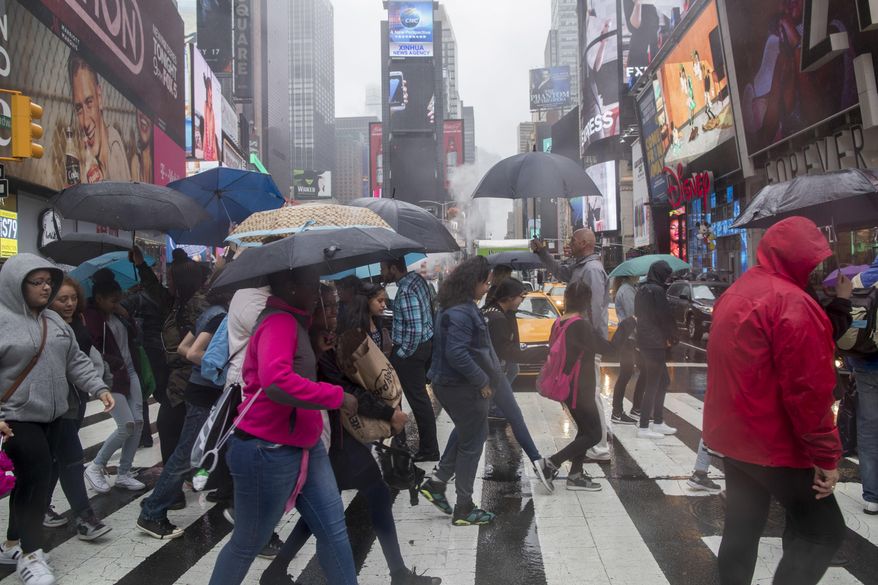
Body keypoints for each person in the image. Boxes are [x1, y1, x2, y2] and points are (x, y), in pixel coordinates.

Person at [704, 217, 847, 585]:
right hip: (774, 443)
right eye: (814, 261)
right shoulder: (793, 303)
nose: (818, 269)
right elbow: (809, 392)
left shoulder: (736, 292)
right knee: (823, 531)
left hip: (734, 438)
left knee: (742, 527)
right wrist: (826, 456)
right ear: (799, 259)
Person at [260, 298, 438, 585]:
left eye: (334, 306)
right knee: (374, 496)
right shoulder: (313, 342)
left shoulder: (323, 340)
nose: (333, 311)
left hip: (333, 439)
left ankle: (275, 571)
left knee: (320, 510)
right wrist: (388, 412)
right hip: (332, 440)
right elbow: (342, 390)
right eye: (326, 306)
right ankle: (398, 575)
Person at [207, 267, 358, 585]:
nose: (318, 293)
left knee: (333, 530)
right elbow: (276, 382)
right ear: (290, 287)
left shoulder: (296, 322)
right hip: (268, 450)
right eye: (312, 285)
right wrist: (336, 397)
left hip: (305, 444)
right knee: (247, 543)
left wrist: (316, 344)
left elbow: (294, 371)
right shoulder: (278, 321)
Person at [0, 254, 114, 585]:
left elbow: (75, 361)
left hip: (54, 415)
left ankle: (10, 544)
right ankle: (32, 554)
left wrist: (98, 387)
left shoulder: (54, 320)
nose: (46, 287)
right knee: (37, 474)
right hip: (15, 417)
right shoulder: (3, 320)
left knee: (29, 480)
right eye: (38, 282)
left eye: (48, 281)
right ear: (16, 285)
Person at [137, 283, 230, 540]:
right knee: (185, 456)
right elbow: (195, 353)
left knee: (190, 453)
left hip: (197, 391)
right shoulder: (221, 316)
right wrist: (222, 368)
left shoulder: (208, 313)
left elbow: (182, 347)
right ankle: (153, 511)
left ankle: (155, 504)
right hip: (204, 394)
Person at [419, 257, 497, 526]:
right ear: (474, 281)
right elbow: (457, 353)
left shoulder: (451, 306)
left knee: (469, 432)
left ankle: (437, 483)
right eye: (486, 282)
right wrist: (481, 381)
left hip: (447, 382)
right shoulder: (462, 311)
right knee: (473, 442)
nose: (487, 288)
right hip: (460, 385)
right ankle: (464, 507)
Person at [44, 276, 113, 540]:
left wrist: (99, 385)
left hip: (77, 398)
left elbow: (83, 358)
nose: (70, 303)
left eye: (73, 298)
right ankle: (85, 518)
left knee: (54, 458)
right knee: (71, 458)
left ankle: (41, 507)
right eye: (63, 299)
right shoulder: (43, 326)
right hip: (55, 403)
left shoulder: (78, 320)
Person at [533, 228, 611, 461]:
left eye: (573, 241)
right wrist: (543, 253)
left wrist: (589, 340)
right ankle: (590, 438)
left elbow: (595, 309)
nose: (569, 243)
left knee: (592, 392)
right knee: (582, 393)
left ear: (586, 243)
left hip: (586, 342)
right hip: (579, 341)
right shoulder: (579, 266)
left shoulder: (593, 270)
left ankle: (600, 446)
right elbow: (559, 271)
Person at [538, 281, 624, 492]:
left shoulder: (559, 322)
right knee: (594, 434)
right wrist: (628, 324)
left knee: (585, 430)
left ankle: (575, 476)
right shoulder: (580, 326)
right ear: (587, 302)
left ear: (566, 299)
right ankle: (551, 464)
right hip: (580, 390)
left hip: (568, 387)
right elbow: (609, 349)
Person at [480, 278, 553, 490]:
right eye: (521, 296)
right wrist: (542, 352)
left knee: (472, 424)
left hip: (488, 374)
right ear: (510, 297)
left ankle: (441, 475)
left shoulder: (489, 311)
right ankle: (440, 477)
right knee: (506, 418)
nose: (522, 300)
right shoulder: (498, 319)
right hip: (492, 375)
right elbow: (508, 351)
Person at [83, 270, 147, 493]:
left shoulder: (117, 314)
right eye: (112, 300)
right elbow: (92, 349)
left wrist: (125, 314)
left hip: (130, 372)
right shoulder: (91, 317)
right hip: (111, 376)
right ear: (99, 298)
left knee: (138, 422)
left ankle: (124, 473)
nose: (116, 303)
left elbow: (134, 337)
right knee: (126, 425)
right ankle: (95, 466)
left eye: (118, 299)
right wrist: (114, 362)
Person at [381, 258, 438, 462]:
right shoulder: (417, 280)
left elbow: (414, 329)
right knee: (418, 398)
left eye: (384, 267)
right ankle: (420, 446)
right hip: (424, 346)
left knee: (417, 400)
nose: (382, 271)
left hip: (412, 351)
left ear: (394, 268)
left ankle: (429, 449)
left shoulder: (405, 291)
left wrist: (402, 354)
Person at [845, 260, 878, 515]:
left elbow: (853, 323)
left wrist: (852, 360)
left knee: (868, 428)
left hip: (865, 363)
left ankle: (872, 496)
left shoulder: (860, 280)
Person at [68, 54, 131, 183]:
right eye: (79, 108)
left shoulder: (113, 148)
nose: (85, 122)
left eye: (89, 102)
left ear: (99, 98)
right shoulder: (90, 163)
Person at [634, 261, 678, 439]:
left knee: (662, 381)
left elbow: (638, 312)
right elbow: (664, 317)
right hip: (655, 342)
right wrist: (672, 336)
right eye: (666, 275)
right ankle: (644, 426)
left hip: (645, 340)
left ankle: (658, 421)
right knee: (654, 383)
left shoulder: (641, 290)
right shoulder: (658, 291)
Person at [610, 276, 642, 425]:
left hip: (628, 338)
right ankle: (617, 412)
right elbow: (633, 315)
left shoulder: (628, 288)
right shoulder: (627, 290)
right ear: (631, 274)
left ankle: (627, 410)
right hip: (628, 339)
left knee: (627, 374)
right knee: (625, 375)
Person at [338, 282, 392, 355]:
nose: (383, 305)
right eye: (379, 301)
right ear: (367, 301)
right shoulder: (356, 328)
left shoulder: (377, 321)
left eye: (384, 301)